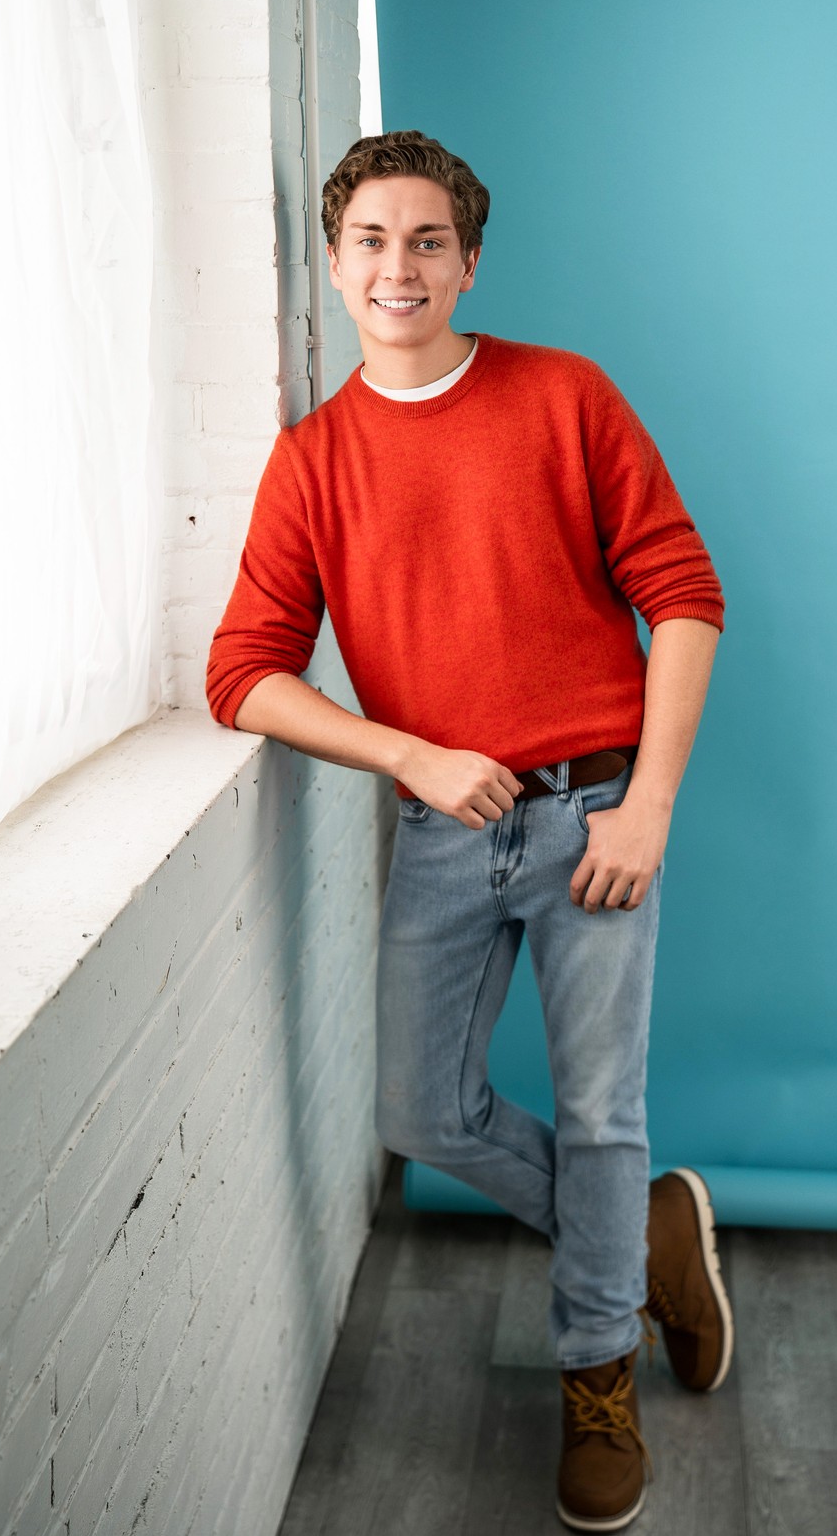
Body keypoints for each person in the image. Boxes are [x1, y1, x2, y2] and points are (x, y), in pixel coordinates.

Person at [206, 130, 733, 1532]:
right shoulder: (313, 463)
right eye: (371, 241)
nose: (400, 266)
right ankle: (646, 1236)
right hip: (444, 829)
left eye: (427, 240)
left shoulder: (564, 395)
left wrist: (648, 808)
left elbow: (684, 596)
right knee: (418, 1111)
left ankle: (597, 1374)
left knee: (602, 1112)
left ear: (469, 264)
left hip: (597, 813)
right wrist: (409, 754)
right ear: (334, 267)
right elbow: (243, 673)